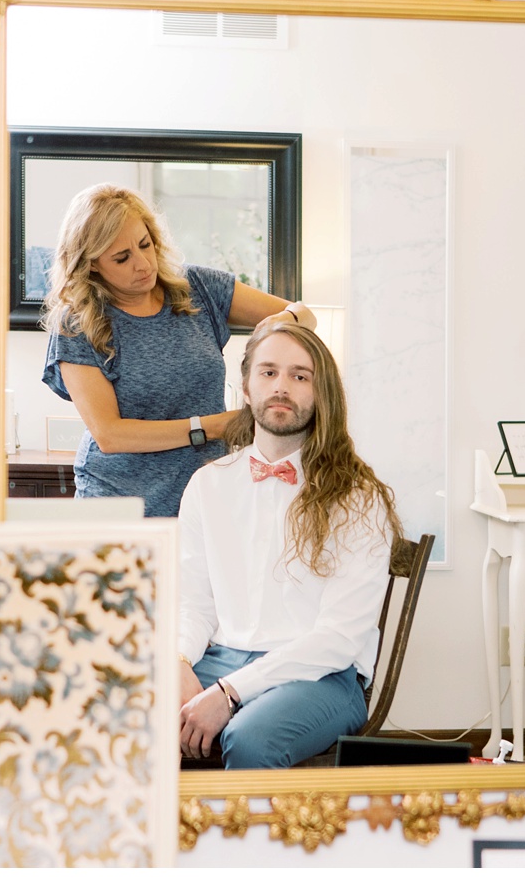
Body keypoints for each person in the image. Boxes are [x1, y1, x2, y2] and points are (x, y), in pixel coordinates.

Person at [174, 323, 402, 768]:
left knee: (251, 739)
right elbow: (194, 604)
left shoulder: (358, 497)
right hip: (220, 658)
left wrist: (230, 692)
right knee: (125, 713)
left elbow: (338, 638)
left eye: (300, 376)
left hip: (321, 676)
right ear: (245, 386)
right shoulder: (208, 485)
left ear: (322, 394)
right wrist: (180, 662)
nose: (282, 387)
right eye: (269, 372)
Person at [41, 184, 317, 517]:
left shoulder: (199, 288)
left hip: (203, 493)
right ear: (92, 264)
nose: (143, 264)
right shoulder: (78, 323)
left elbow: (305, 314)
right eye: (122, 257)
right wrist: (214, 427)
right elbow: (110, 435)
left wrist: (279, 322)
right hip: (119, 502)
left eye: (145, 245)